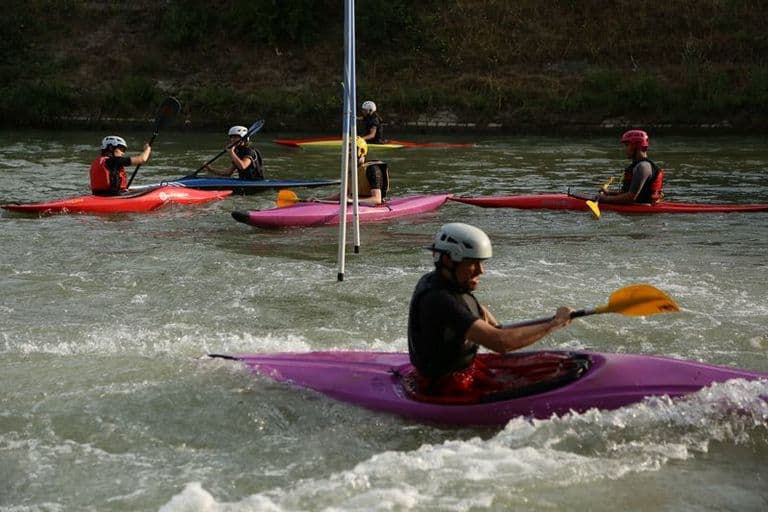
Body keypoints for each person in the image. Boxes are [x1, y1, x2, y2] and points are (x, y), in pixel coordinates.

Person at [407, 223, 573, 396]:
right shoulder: (440, 299)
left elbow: (466, 310)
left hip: (463, 371)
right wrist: (555, 324)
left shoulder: (442, 281)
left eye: (481, 262)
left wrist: (482, 314)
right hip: (445, 387)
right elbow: (500, 343)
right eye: (473, 263)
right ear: (448, 260)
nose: (481, 270)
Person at [597, 129, 664, 204]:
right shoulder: (640, 165)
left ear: (636, 145)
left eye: (627, 145)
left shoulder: (642, 167)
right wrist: (609, 193)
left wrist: (605, 199)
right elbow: (632, 193)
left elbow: (631, 198)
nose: (624, 149)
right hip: (643, 204)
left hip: (642, 207)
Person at [319, 136, 389, 206]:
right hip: (354, 203)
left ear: (362, 151)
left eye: (351, 150)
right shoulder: (351, 169)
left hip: (371, 207)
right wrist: (320, 200)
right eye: (347, 150)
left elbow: (377, 199)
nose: (349, 154)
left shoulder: (372, 169)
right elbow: (344, 194)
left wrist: (352, 201)